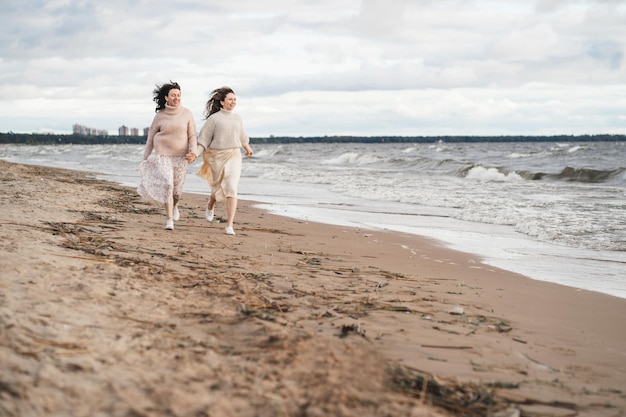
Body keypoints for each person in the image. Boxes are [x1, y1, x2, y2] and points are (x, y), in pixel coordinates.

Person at [137, 81, 198, 230]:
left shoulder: (187, 113)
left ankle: (175, 205)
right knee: (168, 185)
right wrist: (145, 158)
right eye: (173, 95)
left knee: (177, 191)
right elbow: (150, 138)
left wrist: (193, 152)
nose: (177, 98)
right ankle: (169, 219)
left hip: (181, 157)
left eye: (179, 95)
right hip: (163, 155)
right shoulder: (160, 116)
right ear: (166, 97)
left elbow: (192, 136)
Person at [195, 86, 253, 235]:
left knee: (231, 187)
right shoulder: (214, 119)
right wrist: (195, 153)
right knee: (217, 189)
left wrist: (247, 147)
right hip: (217, 156)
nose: (233, 102)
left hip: (234, 155)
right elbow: (203, 140)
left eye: (235, 99)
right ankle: (211, 204)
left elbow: (241, 136)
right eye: (230, 99)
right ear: (222, 102)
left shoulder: (237, 118)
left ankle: (229, 225)